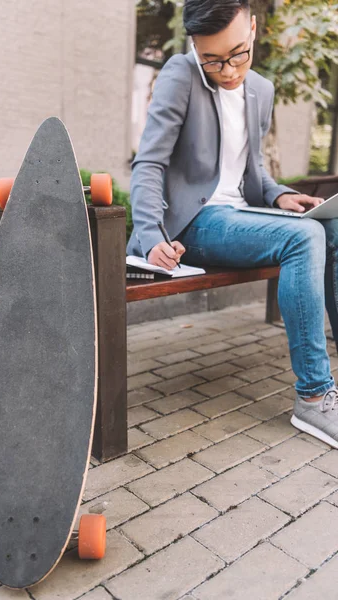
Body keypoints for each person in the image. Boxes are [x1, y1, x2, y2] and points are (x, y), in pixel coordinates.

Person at [127, 0, 338, 448]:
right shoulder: (180, 75)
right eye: (213, 59)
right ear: (194, 46)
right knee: (305, 237)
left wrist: (280, 194)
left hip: (238, 214)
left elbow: (251, 172)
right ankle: (315, 397)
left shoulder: (261, 88)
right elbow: (148, 164)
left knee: (331, 224)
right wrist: (149, 238)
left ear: (254, 29)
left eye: (238, 53)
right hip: (193, 223)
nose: (227, 70)